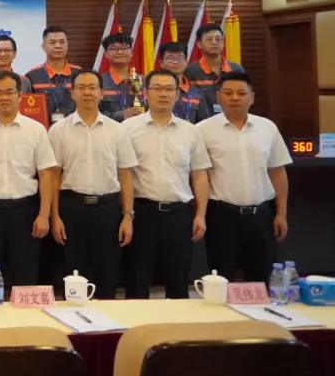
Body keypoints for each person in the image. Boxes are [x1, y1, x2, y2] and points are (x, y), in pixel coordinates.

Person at [49, 69, 138, 299]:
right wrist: (54, 216)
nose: (87, 92)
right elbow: (54, 177)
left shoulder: (117, 130)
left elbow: (125, 175)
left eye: (92, 87)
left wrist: (128, 216)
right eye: (81, 88)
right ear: (72, 93)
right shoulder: (58, 130)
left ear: (101, 93)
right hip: (71, 208)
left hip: (108, 209)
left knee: (107, 274)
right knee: (73, 273)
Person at [122, 69, 212, 298]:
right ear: (145, 93)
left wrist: (200, 214)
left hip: (179, 215)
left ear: (177, 94)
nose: (163, 94)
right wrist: (127, 215)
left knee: (178, 281)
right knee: (137, 280)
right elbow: (123, 175)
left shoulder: (191, 131)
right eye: (157, 88)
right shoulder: (127, 129)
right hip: (142, 213)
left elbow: (199, 174)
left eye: (169, 89)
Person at [0, 71, 58, 287]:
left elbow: (46, 174)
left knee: (25, 274)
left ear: (20, 95)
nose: (4, 97)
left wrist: (44, 215)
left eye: (10, 92)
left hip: (25, 211)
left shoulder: (36, 130)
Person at [198, 72, 291, 283]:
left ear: (252, 97)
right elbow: (200, 175)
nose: (234, 98)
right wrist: (200, 215)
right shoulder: (203, 130)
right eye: (228, 93)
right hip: (222, 216)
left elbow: (277, 172)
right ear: (218, 96)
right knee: (222, 279)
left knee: (262, 279)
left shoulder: (267, 128)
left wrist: (281, 214)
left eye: (241, 93)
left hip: (261, 216)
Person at [184, 24, 246, 115]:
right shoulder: (190, 71)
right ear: (199, 44)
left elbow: (243, 96)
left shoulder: (236, 69)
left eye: (218, 39)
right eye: (209, 39)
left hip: (231, 118)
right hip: (202, 121)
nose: (214, 42)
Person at [26, 26, 81, 124]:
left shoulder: (80, 74)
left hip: (75, 128)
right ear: (43, 46)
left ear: (67, 45)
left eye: (62, 42)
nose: (58, 46)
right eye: (52, 42)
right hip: (44, 129)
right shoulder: (32, 76)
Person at [158, 41, 212, 123]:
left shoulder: (197, 93)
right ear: (161, 63)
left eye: (180, 58)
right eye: (170, 58)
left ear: (186, 62)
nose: (175, 62)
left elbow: (204, 123)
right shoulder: (153, 89)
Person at [98, 33, 145, 121]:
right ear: (106, 54)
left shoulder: (144, 81)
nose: (120, 52)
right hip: (111, 128)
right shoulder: (99, 82)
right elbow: (93, 113)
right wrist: (121, 115)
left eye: (124, 48)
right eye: (114, 49)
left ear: (131, 53)